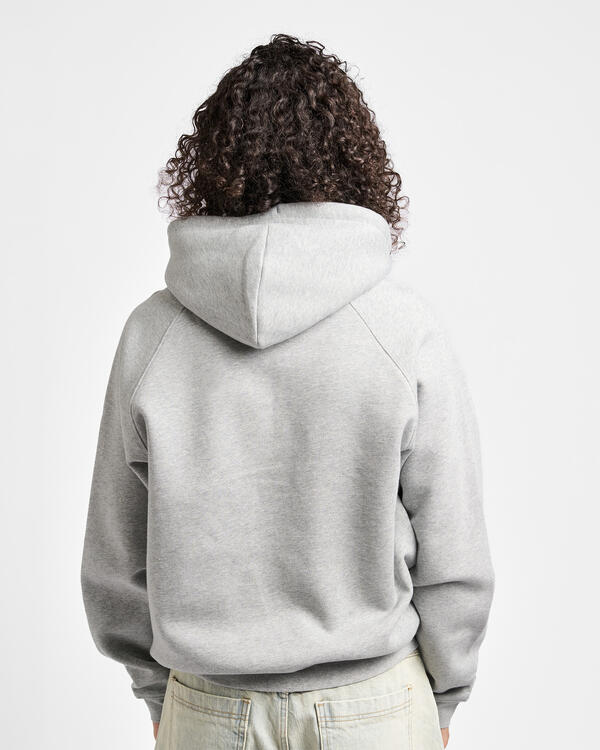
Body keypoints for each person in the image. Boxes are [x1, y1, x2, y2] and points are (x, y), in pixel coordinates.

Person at [80, 33, 494, 750]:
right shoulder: (401, 330)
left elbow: (117, 555)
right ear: (354, 161)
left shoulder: (153, 334)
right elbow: (453, 546)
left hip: (208, 708)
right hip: (375, 708)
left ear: (212, 162)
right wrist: (447, 693)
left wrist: (156, 692)